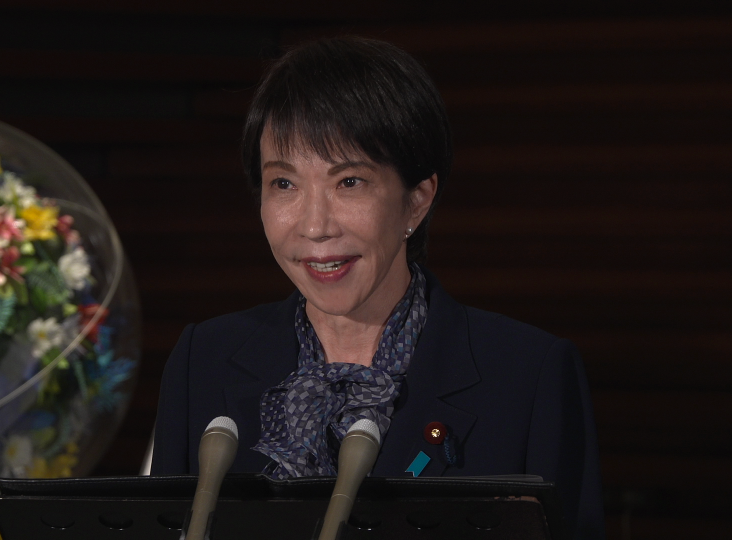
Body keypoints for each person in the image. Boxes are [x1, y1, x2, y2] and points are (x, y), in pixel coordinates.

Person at [151, 37, 604, 538]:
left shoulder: (527, 377)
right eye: (284, 184)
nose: (315, 226)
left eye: (349, 182)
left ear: (417, 199)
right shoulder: (204, 362)